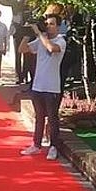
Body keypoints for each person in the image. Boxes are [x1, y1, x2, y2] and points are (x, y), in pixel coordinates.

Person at [19, 15, 66, 160]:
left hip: (52, 87)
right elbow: (22, 49)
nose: (48, 26)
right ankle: (36, 144)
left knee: (52, 118)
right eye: (47, 24)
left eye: (52, 24)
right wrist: (27, 35)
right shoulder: (40, 40)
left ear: (58, 26)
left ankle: (53, 147)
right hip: (38, 85)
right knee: (39, 117)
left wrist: (40, 34)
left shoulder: (61, 41)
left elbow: (51, 48)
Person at [0, 0, 29, 84]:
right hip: (17, 30)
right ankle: (19, 76)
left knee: (27, 55)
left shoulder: (30, 2)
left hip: (27, 30)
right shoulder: (15, 1)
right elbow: (1, 1)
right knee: (18, 54)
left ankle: (25, 75)